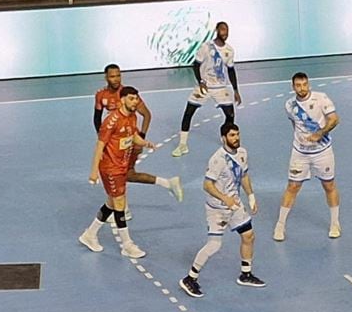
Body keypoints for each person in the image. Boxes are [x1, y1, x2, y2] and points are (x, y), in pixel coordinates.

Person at [180, 123, 264, 297]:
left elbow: (244, 175)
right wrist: (224, 198)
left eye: (237, 134)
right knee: (214, 245)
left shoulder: (242, 153)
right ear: (223, 138)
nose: (236, 138)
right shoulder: (217, 160)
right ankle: (190, 278)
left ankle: (245, 274)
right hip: (217, 208)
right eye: (232, 135)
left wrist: (251, 196)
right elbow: (207, 185)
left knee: (248, 236)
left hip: (235, 205)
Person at [80, 87, 157, 258]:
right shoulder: (111, 121)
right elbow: (100, 146)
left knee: (112, 204)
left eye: (136, 99)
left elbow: (132, 136)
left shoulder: (132, 117)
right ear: (122, 100)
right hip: (110, 168)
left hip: (121, 166)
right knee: (120, 204)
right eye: (131, 99)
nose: (135, 102)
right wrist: (93, 172)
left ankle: (89, 234)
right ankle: (127, 245)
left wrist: (145, 143)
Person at [94, 66, 182, 212]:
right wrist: (104, 139)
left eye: (118, 76)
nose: (116, 79)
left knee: (122, 173)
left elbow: (147, 115)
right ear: (106, 77)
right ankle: (167, 184)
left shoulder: (129, 95)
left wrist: (141, 137)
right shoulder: (101, 95)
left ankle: (121, 208)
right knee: (125, 174)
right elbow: (97, 118)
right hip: (115, 143)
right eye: (112, 76)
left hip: (128, 143)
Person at [273, 72, 341, 242]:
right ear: (293, 87)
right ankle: (280, 225)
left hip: (322, 151)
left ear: (308, 84)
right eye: (298, 85)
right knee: (293, 187)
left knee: (329, 185)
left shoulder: (321, 98)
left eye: (304, 84)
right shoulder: (289, 105)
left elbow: (334, 119)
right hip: (300, 153)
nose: (302, 88)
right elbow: (295, 124)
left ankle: (335, 223)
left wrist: (320, 133)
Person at [173, 22, 241, 157]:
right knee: (188, 113)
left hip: (221, 87)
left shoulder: (229, 50)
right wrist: (201, 82)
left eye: (227, 31)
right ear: (217, 30)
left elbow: (231, 70)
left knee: (230, 115)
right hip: (204, 86)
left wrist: (236, 90)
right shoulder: (206, 47)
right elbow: (196, 65)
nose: (225, 33)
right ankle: (182, 145)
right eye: (222, 30)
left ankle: (226, 141)